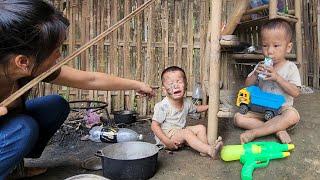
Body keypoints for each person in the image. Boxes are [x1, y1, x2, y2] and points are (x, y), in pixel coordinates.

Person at [0, 0, 155, 179]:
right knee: (23, 128)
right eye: (56, 50)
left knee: (55, 105)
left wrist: (137, 85)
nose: (60, 55)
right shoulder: (27, 64)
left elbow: (90, 79)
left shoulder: (28, 67)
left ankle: (13, 167)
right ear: (22, 62)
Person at [233, 19, 301, 144]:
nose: (269, 51)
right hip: (260, 109)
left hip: (281, 110)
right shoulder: (260, 65)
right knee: (238, 118)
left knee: (293, 116)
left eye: (276, 46)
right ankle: (277, 129)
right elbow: (247, 86)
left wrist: (278, 78)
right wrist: (255, 74)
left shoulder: (290, 67)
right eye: (265, 45)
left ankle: (255, 132)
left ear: (288, 47)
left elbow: (296, 92)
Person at [151, 66, 223, 159]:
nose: (175, 85)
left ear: (185, 85)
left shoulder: (186, 102)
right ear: (164, 90)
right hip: (167, 137)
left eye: (179, 82)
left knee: (201, 128)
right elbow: (154, 126)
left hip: (180, 131)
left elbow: (196, 109)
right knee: (186, 133)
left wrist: (211, 106)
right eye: (171, 83)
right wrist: (167, 142)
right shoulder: (162, 106)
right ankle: (210, 150)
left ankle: (204, 150)